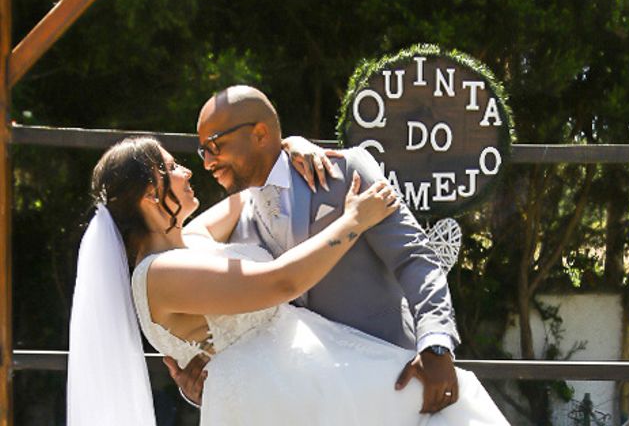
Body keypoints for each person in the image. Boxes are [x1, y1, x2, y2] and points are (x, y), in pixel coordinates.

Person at [166, 85, 505, 420]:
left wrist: (435, 341)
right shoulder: (234, 222)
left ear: (259, 133)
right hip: (308, 404)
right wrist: (212, 382)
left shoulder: (345, 172)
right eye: (202, 151)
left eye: (215, 145)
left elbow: (413, 258)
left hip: (390, 386)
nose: (208, 162)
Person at [67, 135, 398, 425]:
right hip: (276, 404)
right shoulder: (157, 276)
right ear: (151, 194)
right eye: (172, 167)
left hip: (308, 375)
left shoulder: (192, 238)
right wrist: (354, 220)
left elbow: (250, 192)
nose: (187, 172)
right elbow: (280, 283)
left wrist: (290, 146)